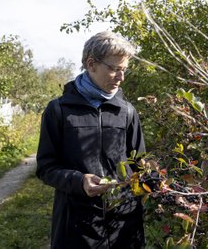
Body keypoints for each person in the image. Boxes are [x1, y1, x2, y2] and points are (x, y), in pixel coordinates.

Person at [36, 31, 146, 248]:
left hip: (123, 225)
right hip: (76, 227)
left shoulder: (127, 112)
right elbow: (46, 168)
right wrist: (79, 181)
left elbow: (140, 165)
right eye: (114, 69)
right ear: (91, 64)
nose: (121, 77)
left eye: (124, 70)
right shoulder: (58, 110)